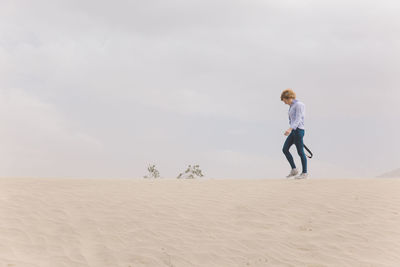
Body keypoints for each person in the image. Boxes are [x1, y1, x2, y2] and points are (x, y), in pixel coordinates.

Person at [281, 89, 308, 179]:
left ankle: (304, 173)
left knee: (300, 152)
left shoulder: (299, 105)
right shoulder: (292, 106)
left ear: (288, 98)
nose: (284, 102)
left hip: (298, 130)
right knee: (285, 149)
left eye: (284, 100)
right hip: (293, 131)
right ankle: (294, 170)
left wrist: (290, 129)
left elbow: (298, 119)